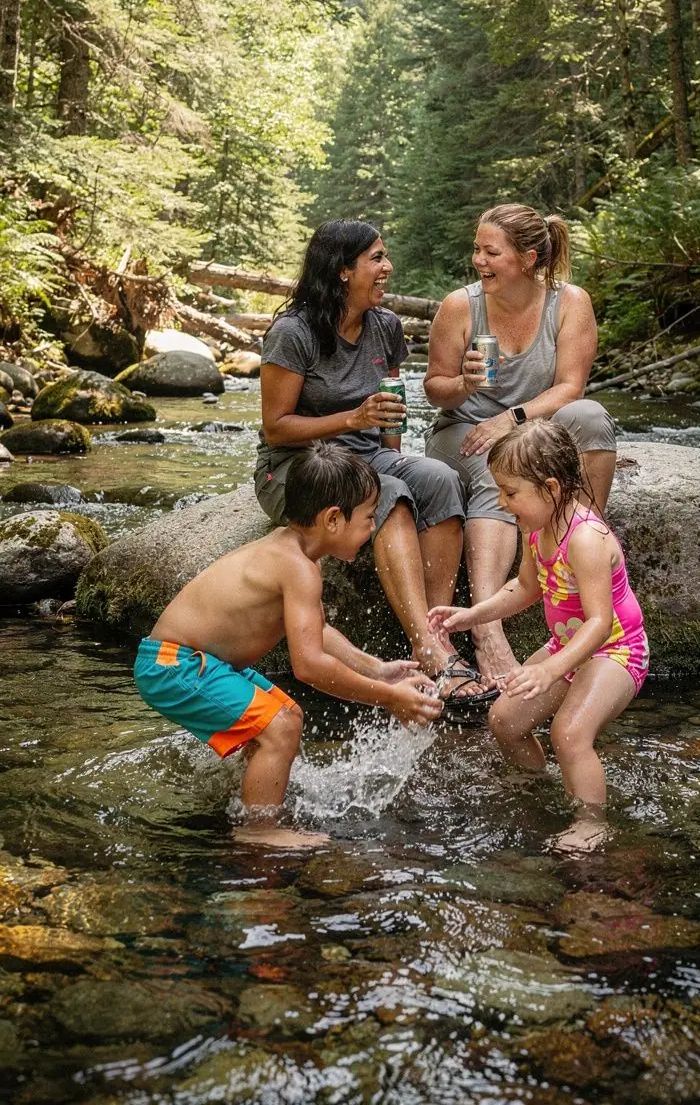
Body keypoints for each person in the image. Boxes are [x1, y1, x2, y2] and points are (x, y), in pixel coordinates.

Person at [135, 443, 443, 848]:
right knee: (279, 728)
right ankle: (258, 831)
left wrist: (378, 670)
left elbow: (317, 631)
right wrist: (388, 697)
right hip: (175, 666)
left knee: (288, 716)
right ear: (333, 519)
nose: (372, 529)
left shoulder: (296, 553)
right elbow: (309, 666)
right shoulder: (297, 568)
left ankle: (248, 794)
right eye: (369, 518)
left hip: (197, 662)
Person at [254, 219, 496, 713]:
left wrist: (392, 447)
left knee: (440, 479)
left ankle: (438, 633)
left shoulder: (385, 326)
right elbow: (276, 427)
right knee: (387, 492)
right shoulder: (293, 332)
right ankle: (427, 650)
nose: (388, 267)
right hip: (299, 466)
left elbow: (390, 404)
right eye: (377, 259)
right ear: (343, 271)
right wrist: (352, 418)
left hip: (367, 456)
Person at [428, 420, 648, 853]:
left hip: (616, 651)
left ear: (550, 488)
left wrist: (550, 670)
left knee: (569, 733)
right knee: (505, 721)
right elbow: (526, 587)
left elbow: (600, 622)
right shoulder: (536, 529)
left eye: (510, 492)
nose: (502, 502)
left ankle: (591, 824)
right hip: (568, 647)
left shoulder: (585, 538)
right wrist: (473, 615)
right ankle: (536, 786)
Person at [424, 203, 616, 681]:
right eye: (477, 250)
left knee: (590, 417)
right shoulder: (459, 306)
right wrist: (463, 384)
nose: (479, 261)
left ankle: (581, 543)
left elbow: (571, 387)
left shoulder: (570, 302)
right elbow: (434, 389)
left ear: (528, 259)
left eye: (491, 252)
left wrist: (512, 419)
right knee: (498, 471)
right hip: (465, 429)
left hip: (530, 425)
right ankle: (487, 630)